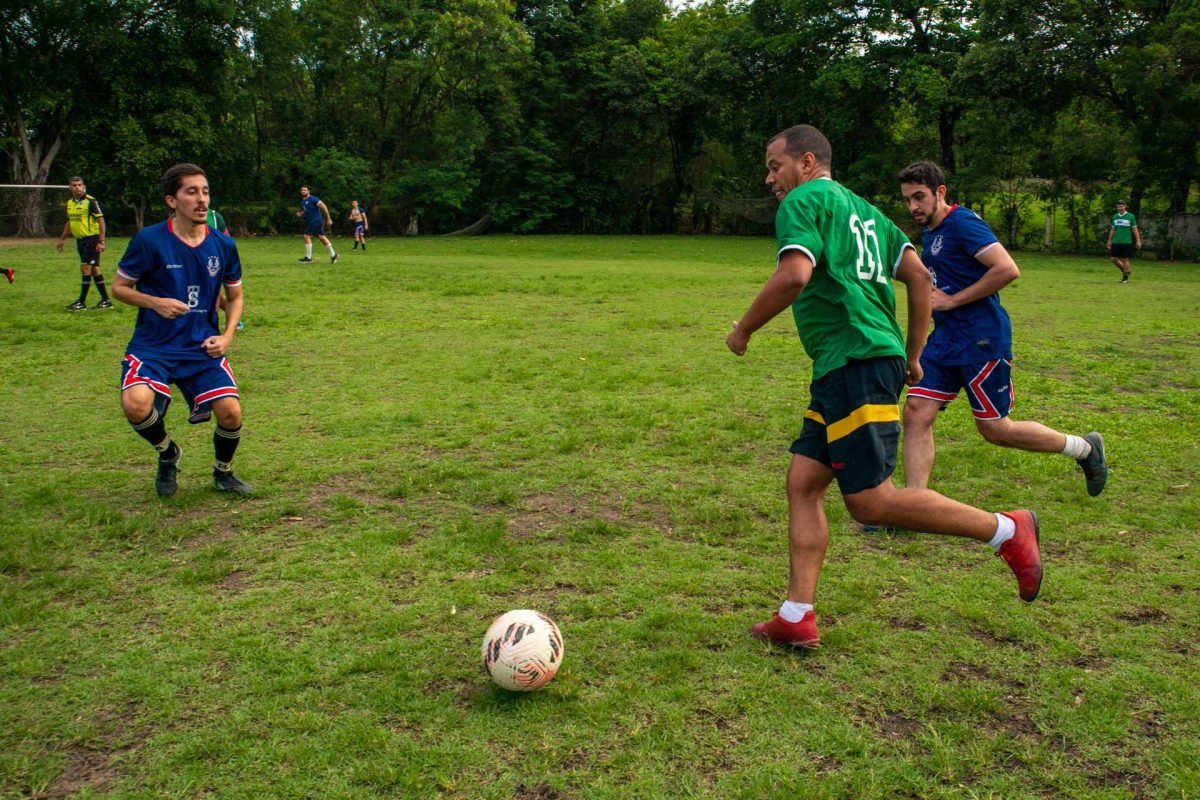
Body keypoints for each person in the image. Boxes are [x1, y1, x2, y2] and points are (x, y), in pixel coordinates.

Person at [726, 125, 1043, 650]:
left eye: (774, 165)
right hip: (852, 363)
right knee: (804, 482)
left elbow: (793, 276)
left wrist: (743, 328)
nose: (770, 178)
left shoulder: (805, 202)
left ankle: (1006, 530)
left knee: (871, 503)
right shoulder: (867, 214)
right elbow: (919, 278)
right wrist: (913, 354)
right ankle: (796, 615)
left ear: (806, 163)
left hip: (856, 362)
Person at [897, 161, 1108, 499]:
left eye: (919, 197)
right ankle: (915, 503)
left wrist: (953, 301)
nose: (913, 207)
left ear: (941, 192)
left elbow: (1007, 269)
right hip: (945, 341)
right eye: (907, 199)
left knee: (996, 430)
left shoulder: (962, 223)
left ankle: (1084, 448)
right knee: (916, 412)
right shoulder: (931, 230)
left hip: (981, 339)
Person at [112, 163, 252, 497]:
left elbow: (235, 297)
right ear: (172, 200)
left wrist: (228, 335)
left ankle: (223, 473)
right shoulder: (149, 240)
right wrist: (154, 302)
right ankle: (167, 453)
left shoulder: (223, 245)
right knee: (135, 403)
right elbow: (119, 287)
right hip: (154, 346)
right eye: (191, 192)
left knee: (230, 413)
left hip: (201, 346)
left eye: (204, 191)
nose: (201, 199)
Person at [55, 176, 113, 311]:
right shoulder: (70, 203)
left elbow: (101, 221)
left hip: (92, 239)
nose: (77, 187)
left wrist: (102, 241)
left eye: (79, 185)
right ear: (70, 187)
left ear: (83, 186)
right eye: (74, 185)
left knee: (85, 269)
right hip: (80, 240)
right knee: (94, 270)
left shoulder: (90, 201)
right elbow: (70, 222)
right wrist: (62, 239)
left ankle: (81, 302)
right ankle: (106, 300)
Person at [208, 207, 244, 331]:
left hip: (212, 261)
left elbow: (226, 239)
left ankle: (211, 329)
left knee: (214, 293)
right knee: (212, 293)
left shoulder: (214, 217)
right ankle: (235, 318)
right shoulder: (180, 217)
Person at [296, 186, 338, 263]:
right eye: (302, 190)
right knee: (321, 237)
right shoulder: (303, 201)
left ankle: (309, 258)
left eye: (305, 190)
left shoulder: (313, 199)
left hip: (315, 220)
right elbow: (307, 211)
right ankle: (333, 255)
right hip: (313, 221)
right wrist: (301, 214)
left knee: (306, 236)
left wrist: (328, 218)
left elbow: (324, 206)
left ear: (308, 191)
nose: (303, 191)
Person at [1106, 199, 1141, 283]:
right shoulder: (1115, 216)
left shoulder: (1130, 216)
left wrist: (1138, 241)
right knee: (1113, 258)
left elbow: (1135, 229)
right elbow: (1113, 230)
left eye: (1121, 206)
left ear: (1125, 206)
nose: (1120, 208)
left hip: (1126, 241)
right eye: (1118, 207)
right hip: (1116, 241)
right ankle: (1126, 271)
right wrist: (1109, 240)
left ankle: (1125, 278)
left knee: (1125, 259)